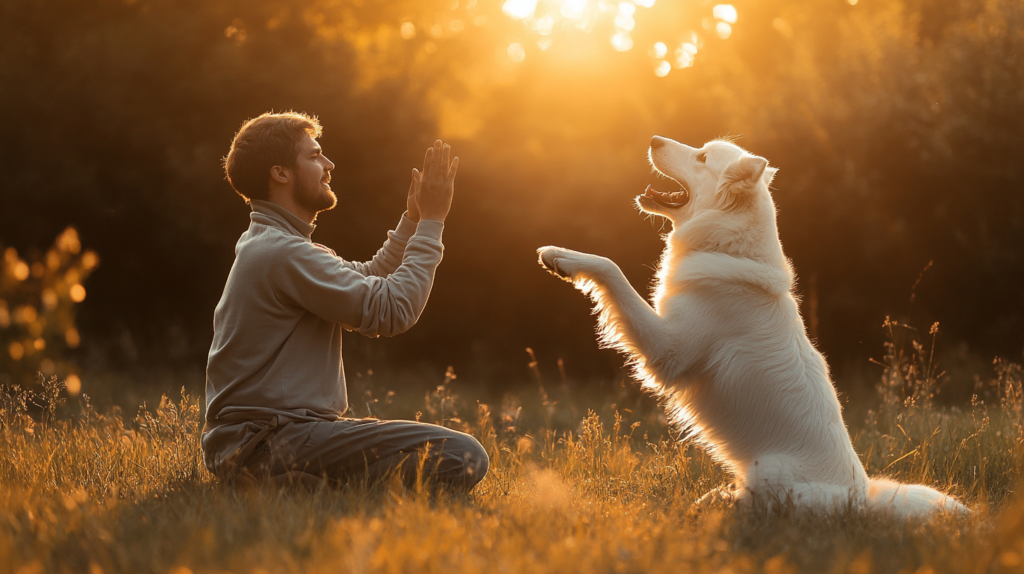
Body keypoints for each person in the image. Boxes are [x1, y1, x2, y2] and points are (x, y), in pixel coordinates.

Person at [201, 111, 488, 491]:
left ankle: (304, 484)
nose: (329, 164)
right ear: (281, 173)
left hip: (265, 439)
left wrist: (413, 218)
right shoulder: (283, 252)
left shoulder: (275, 245)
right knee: (465, 455)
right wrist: (434, 222)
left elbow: (370, 275)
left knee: (447, 453)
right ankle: (298, 483)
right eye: (315, 155)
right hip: (269, 440)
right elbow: (392, 310)